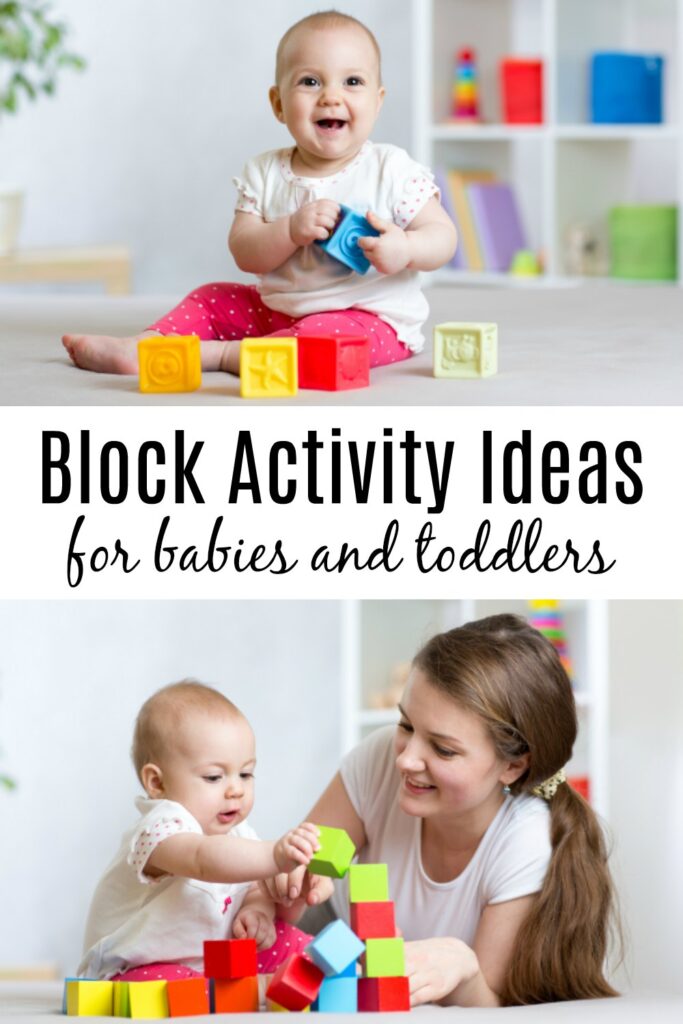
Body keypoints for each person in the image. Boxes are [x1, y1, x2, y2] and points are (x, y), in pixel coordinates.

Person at [62, 10, 457, 377]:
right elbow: (244, 252)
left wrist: (405, 247)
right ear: (279, 103)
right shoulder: (265, 172)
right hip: (277, 311)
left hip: (368, 319)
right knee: (211, 298)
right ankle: (147, 346)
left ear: (377, 100)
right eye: (310, 81)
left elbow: (443, 237)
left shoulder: (391, 169)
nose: (331, 97)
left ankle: (219, 355)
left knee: (327, 340)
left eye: (352, 82)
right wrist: (288, 231)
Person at [270, 615, 621, 1007]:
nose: (407, 760)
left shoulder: (524, 841)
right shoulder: (380, 757)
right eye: (406, 724)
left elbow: (491, 1006)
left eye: (443, 749)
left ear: (513, 765)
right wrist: (282, 886)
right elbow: (298, 870)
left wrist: (463, 968)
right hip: (332, 948)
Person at [78, 680, 319, 981]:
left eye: (245, 773)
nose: (236, 789)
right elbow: (202, 858)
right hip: (132, 965)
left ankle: (350, 973)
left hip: (211, 959)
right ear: (157, 783)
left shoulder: (239, 832)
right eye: (214, 777)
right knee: (182, 990)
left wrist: (257, 912)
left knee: (297, 945)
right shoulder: (160, 828)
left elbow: (256, 886)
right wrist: (274, 855)